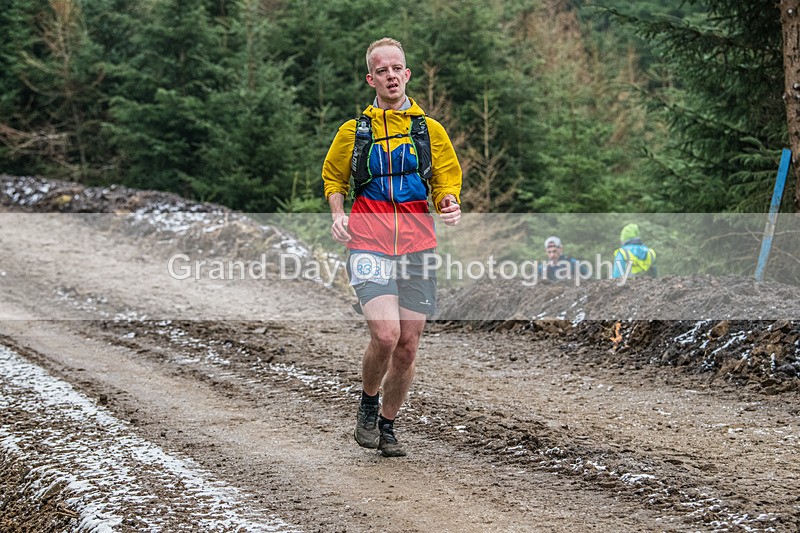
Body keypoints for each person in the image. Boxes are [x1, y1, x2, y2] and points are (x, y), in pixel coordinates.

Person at [322, 37, 462, 457]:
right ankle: (367, 405)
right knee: (385, 335)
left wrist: (448, 202)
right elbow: (333, 177)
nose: (390, 76)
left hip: (418, 245)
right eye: (381, 70)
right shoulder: (354, 132)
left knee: (408, 346)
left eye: (396, 68)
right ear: (372, 79)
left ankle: (387, 425)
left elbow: (445, 179)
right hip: (369, 242)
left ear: (407, 74)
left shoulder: (429, 130)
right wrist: (337, 213)